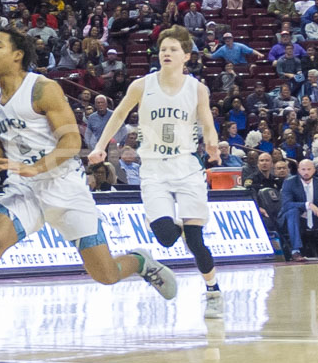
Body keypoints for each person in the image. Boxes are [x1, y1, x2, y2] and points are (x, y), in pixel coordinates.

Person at [0, 29, 177, 359]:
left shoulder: (41, 88)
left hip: (65, 188)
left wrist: (39, 166)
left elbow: (72, 142)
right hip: (24, 190)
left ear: (17, 54)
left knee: (105, 275)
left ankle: (139, 262)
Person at [89, 25, 224, 318]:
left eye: (173, 49)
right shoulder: (142, 84)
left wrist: (212, 144)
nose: (167, 53)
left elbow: (207, 123)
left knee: (196, 241)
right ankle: (169, 239)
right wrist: (100, 146)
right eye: (163, 48)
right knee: (165, 236)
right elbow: (120, 115)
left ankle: (213, 291)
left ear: (186, 56)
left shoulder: (197, 88)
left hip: (186, 166)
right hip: (152, 168)